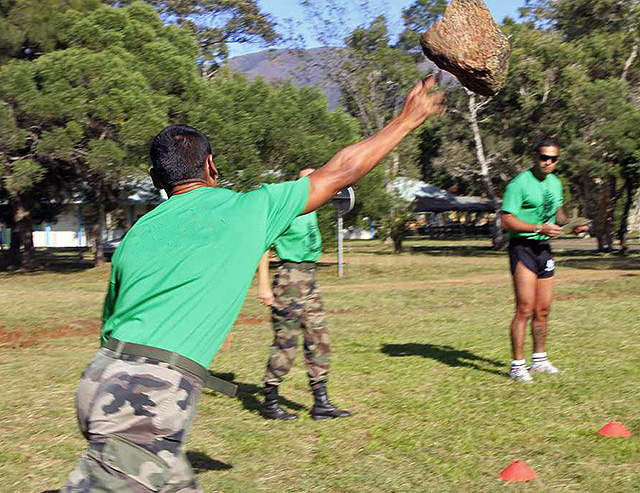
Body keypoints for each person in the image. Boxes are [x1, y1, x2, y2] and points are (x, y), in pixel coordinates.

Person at [62, 76, 445, 491]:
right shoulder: (250, 209)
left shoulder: (137, 233)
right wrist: (406, 121)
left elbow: (112, 319)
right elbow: (341, 171)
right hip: (146, 396)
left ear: (156, 178)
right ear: (211, 164)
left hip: (100, 378)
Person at [256, 167, 349, 421]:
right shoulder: (288, 209)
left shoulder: (313, 207)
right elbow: (264, 245)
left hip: (309, 278)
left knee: (319, 340)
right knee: (286, 342)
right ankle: (270, 400)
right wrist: (263, 285)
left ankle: (321, 403)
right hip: (289, 279)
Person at [501, 138, 588, 383]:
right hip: (523, 247)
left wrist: (571, 225)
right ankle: (517, 367)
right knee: (524, 309)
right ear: (535, 157)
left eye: (553, 158)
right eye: (543, 157)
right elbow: (506, 221)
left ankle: (539, 360)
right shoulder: (519, 184)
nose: (548, 162)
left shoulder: (555, 182)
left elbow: (558, 214)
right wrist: (538, 227)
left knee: (543, 309)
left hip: (543, 248)